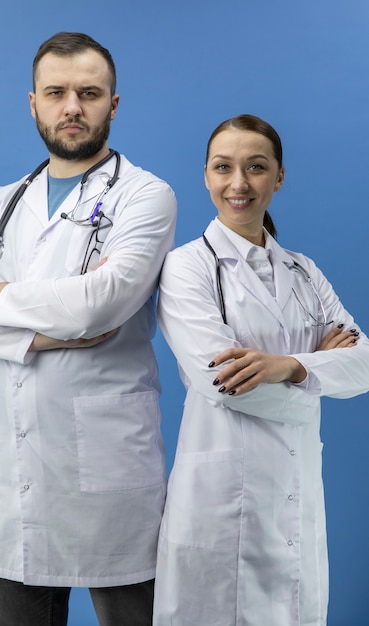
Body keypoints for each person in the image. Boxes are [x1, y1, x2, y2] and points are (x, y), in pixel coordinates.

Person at [0, 32, 177, 626]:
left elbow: (102, 303)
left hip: (108, 473)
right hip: (17, 476)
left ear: (113, 104)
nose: (71, 106)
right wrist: (42, 336)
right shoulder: (1, 204)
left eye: (88, 92)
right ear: (34, 103)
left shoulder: (146, 196)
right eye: (56, 92)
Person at [152, 114, 369, 625]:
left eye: (256, 167)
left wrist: (287, 366)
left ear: (279, 176)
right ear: (205, 175)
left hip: (294, 495)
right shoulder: (187, 267)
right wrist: (318, 368)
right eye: (224, 167)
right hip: (220, 501)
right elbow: (222, 384)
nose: (239, 183)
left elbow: (365, 363)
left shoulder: (303, 270)